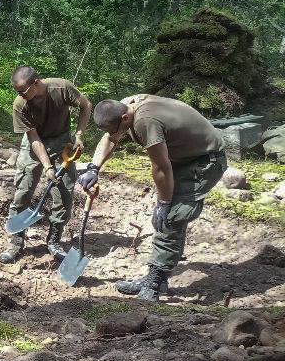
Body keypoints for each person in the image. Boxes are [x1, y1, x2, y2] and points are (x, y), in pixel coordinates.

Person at [79, 95, 227, 301]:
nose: (111, 134)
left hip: (205, 160)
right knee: (169, 214)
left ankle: (155, 281)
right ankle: (159, 278)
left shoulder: (145, 122)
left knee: (172, 215)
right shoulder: (125, 107)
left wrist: (164, 202)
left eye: (113, 128)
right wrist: (94, 168)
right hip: (184, 157)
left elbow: (161, 166)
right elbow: (110, 138)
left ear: (124, 118)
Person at [0, 67, 92, 264]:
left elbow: (86, 106)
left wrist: (79, 135)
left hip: (61, 142)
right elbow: (33, 137)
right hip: (33, 144)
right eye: (17, 92)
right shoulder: (20, 105)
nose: (20, 97)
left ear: (36, 83)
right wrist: (48, 167)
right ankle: (16, 241)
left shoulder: (61, 88)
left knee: (65, 195)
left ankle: (54, 240)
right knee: (23, 191)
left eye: (23, 92)